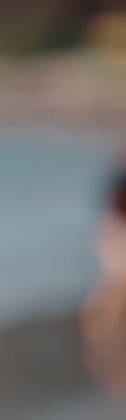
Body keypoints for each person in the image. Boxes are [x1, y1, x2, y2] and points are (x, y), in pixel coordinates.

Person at [83, 151, 126, 396]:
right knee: (115, 292)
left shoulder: (116, 178)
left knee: (114, 292)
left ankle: (99, 343)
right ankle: (98, 342)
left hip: (113, 237)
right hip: (116, 237)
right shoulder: (118, 180)